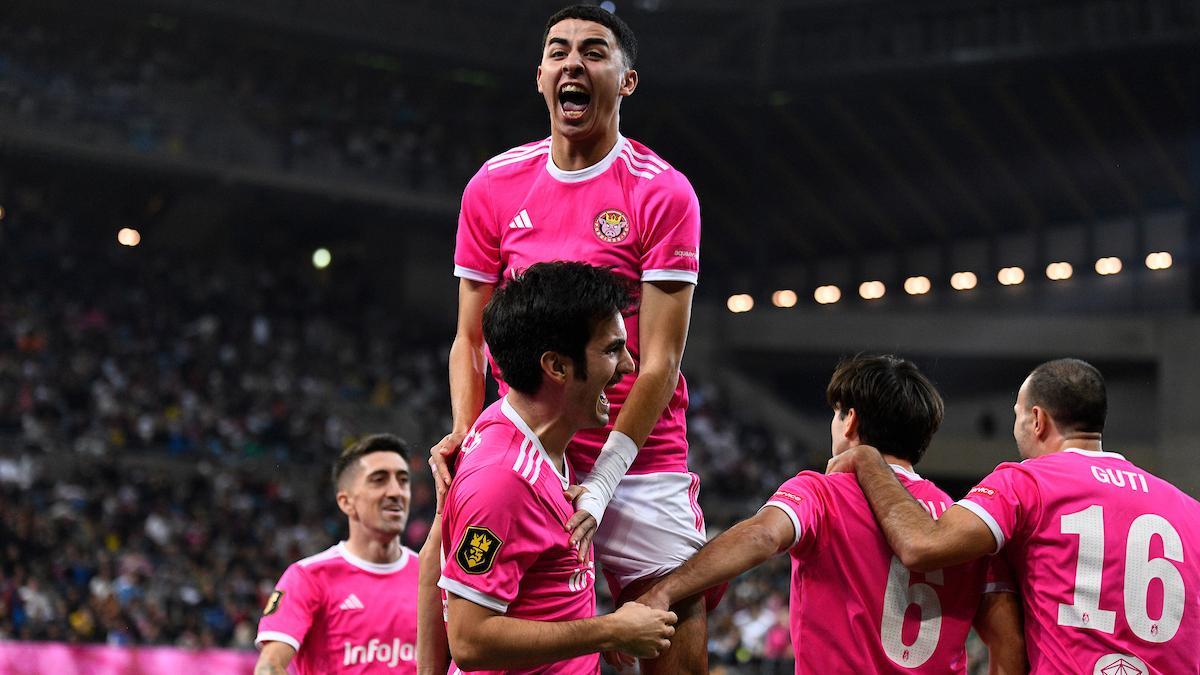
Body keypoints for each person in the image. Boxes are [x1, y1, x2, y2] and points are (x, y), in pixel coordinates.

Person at [421, 5, 709, 673]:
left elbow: (661, 358)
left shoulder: (662, 193)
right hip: (530, 447)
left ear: (626, 80)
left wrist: (604, 480)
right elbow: (469, 337)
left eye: (594, 51)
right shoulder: (493, 186)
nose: (573, 62)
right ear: (541, 75)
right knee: (473, 602)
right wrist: (468, 433)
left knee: (679, 653)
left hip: (640, 459)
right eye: (559, 51)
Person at [638, 354, 1026, 673]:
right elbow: (1008, 646)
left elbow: (762, 536)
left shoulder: (821, 491)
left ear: (851, 420)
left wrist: (665, 589)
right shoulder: (961, 520)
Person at [829, 358, 1200, 674]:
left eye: (1017, 415)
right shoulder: (1189, 510)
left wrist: (868, 460)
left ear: (1036, 420)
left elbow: (921, 545)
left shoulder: (1027, 482)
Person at [437, 262, 677, 673]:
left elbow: (439, 561)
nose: (628, 367)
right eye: (611, 349)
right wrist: (609, 631)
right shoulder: (502, 478)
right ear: (557, 367)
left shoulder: (519, 430)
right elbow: (470, 639)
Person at [255, 434, 419, 674]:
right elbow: (269, 667)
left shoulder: (432, 577)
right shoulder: (308, 577)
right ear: (346, 502)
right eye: (379, 480)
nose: (396, 492)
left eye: (403, 480)